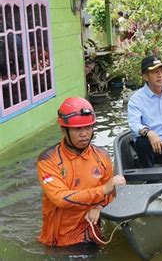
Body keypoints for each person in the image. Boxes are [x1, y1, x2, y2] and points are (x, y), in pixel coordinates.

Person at [37, 97, 126, 247]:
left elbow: (110, 196)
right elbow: (60, 198)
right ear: (64, 130)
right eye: (78, 129)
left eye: (88, 127)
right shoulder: (48, 160)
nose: (84, 134)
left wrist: (100, 207)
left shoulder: (102, 157)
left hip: (90, 235)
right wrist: (102, 190)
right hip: (59, 241)